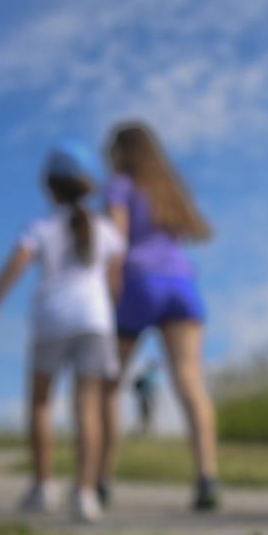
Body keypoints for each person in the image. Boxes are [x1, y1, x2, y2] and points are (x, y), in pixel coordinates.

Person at [0, 140, 124, 522]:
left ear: (50, 187)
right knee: (87, 405)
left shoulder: (40, 227)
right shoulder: (105, 229)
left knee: (41, 403)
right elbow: (115, 282)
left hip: (52, 320)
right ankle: (85, 494)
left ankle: (43, 487)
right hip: (94, 320)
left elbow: (17, 264)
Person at [98, 121, 219, 510]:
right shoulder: (168, 188)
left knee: (108, 385)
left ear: (122, 151)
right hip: (181, 284)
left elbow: (116, 242)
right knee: (190, 380)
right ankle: (207, 476)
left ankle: (101, 480)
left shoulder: (120, 186)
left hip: (139, 282)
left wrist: (109, 291)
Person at [132, 360, 159, 435]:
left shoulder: (146, 376)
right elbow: (151, 389)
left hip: (144, 398)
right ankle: (144, 431)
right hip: (146, 399)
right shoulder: (149, 376)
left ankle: (144, 431)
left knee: (144, 415)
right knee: (146, 415)